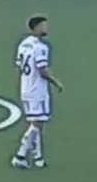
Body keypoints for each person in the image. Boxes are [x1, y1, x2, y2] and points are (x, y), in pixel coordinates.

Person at [12, 15, 63, 170]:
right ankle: (20, 155)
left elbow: (20, 66)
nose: (45, 28)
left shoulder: (23, 44)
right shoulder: (41, 48)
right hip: (37, 91)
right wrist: (56, 82)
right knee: (37, 124)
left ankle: (38, 158)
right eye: (43, 26)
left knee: (36, 122)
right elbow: (42, 70)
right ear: (36, 28)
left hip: (25, 88)